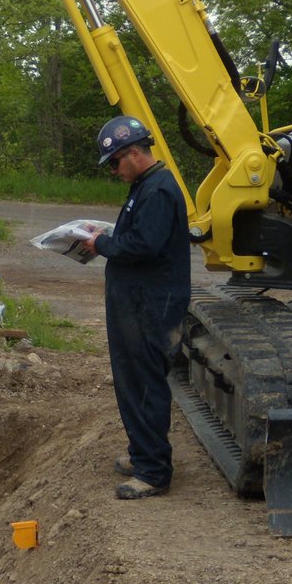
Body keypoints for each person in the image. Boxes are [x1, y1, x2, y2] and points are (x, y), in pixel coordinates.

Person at [82, 116, 191, 499]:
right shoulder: (145, 186)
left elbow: (143, 245)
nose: (113, 170)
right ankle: (143, 453)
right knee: (132, 381)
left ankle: (153, 471)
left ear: (133, 153)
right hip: (137, 304)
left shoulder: (158, 190)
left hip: (151, 307)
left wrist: (102, 245)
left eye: (115, 162)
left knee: (144, 384)